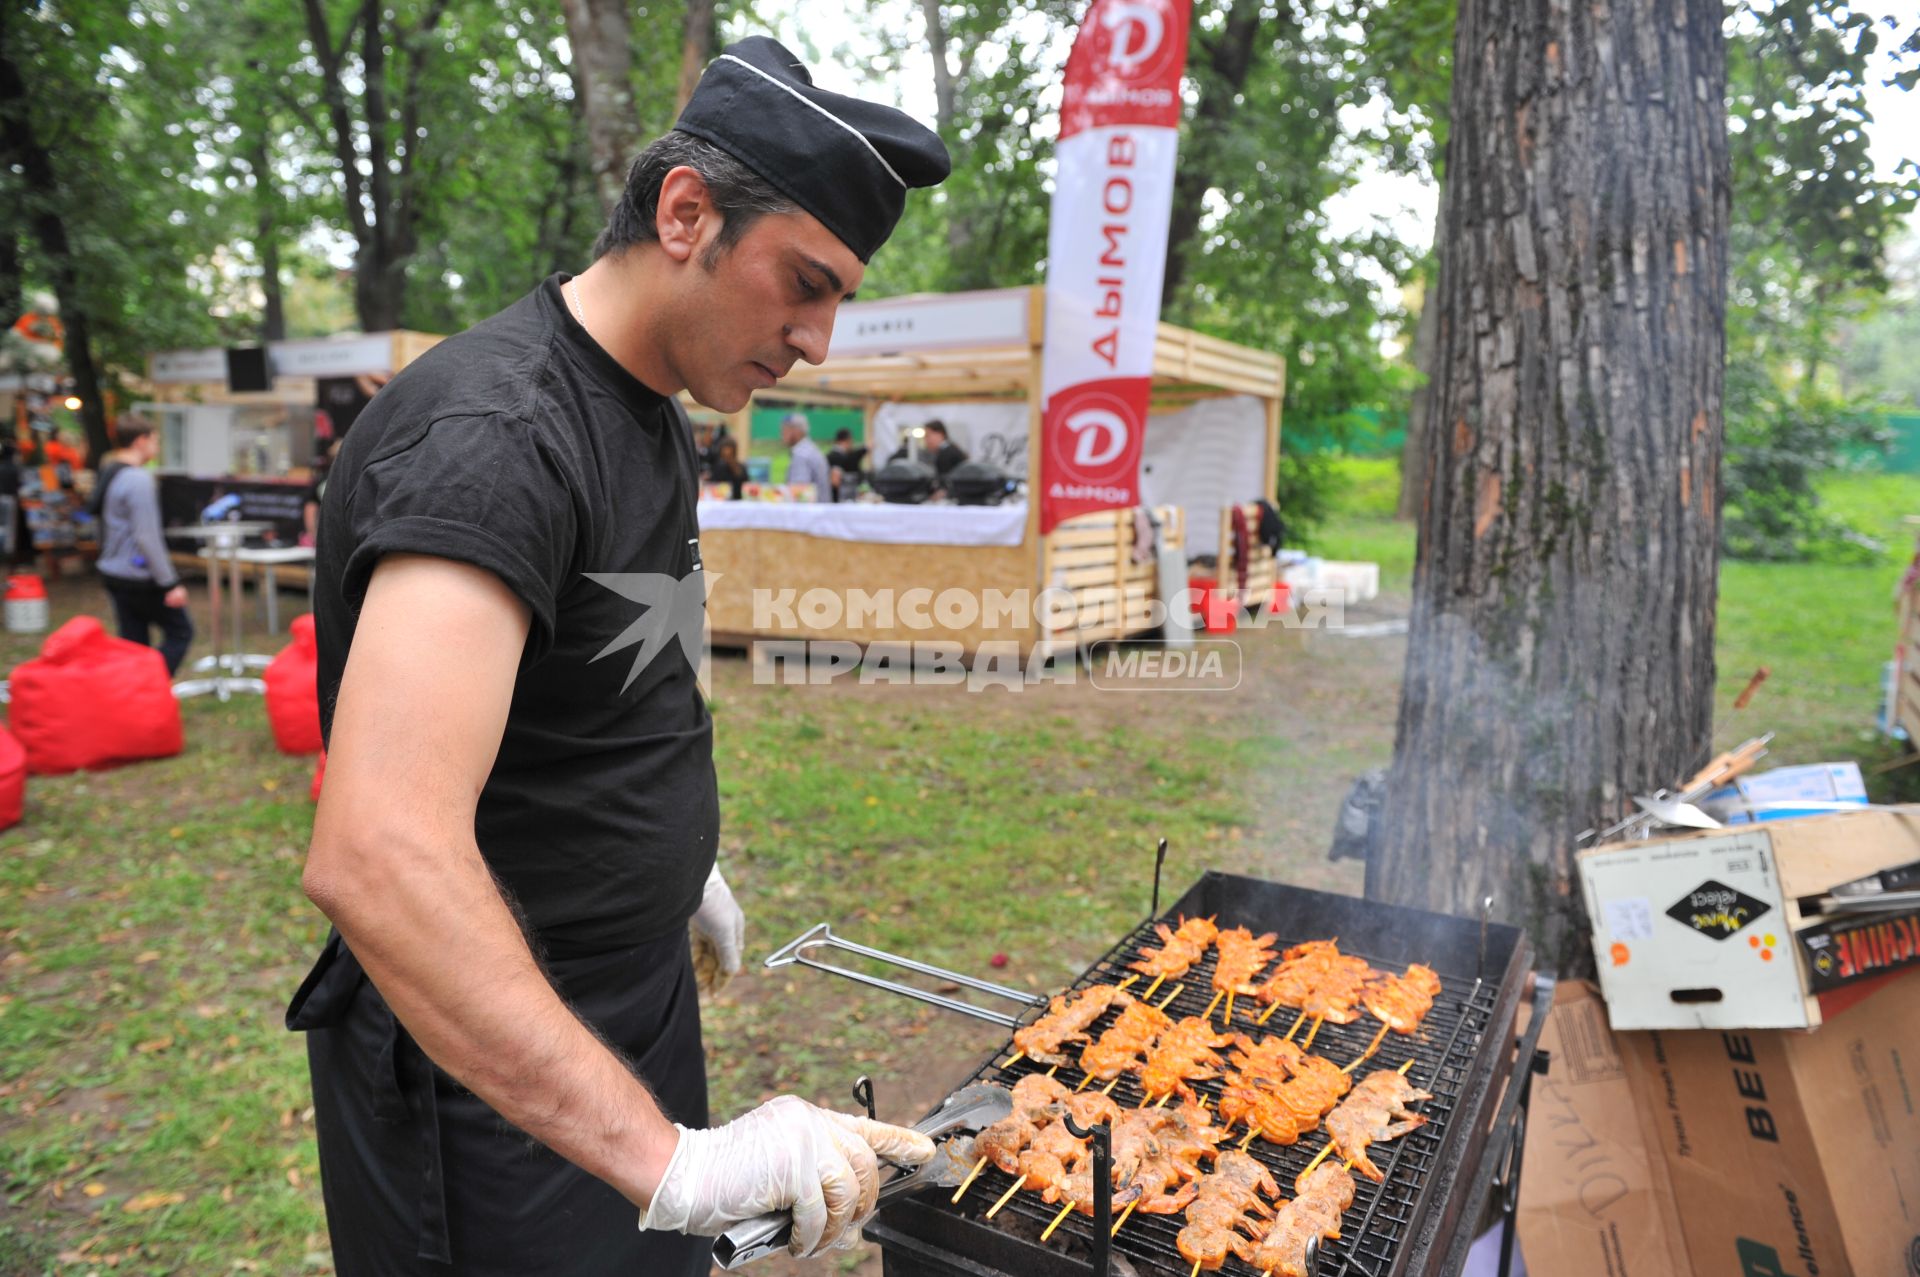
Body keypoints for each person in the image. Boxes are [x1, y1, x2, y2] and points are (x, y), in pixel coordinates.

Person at [290, 35, 949, 1277]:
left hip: (628, 1002)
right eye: (803, 284)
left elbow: (603, 674)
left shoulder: (649, 406)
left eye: (838, 300)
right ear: (685, 212)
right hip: (486, 1065)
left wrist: (671, 860)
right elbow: (379, 855)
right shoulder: (496, 436)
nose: (818, 342)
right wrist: (675, 1163)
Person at [94, 417, 193, 674]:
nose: (157, 447)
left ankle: (133, 699)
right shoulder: (137, 480)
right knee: (181, 632)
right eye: (155, 440)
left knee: (133, 645)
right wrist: (169, 583)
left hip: (114, 571)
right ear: (141, 441)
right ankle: (149, 687)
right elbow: (147, 536)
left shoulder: (110, 473)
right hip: (138, 576)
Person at [780, 412, 830, 500]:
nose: (782, 433)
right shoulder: (810, 449)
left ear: (797, 431)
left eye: (785, 429)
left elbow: (798, 492)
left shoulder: (802, 454)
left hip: (812, 512)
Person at [825, 428, 867, 502]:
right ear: (848, 440)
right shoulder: (836, 457)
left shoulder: (833, 455)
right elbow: (835, 481)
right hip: (838, 500)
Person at [709, 436, 749, 500]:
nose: (727, 453)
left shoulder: (741, 467)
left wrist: (734, 467)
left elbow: (746, 486)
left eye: (730, 454)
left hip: (738, 501)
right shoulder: (718, 467)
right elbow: (714, 485)